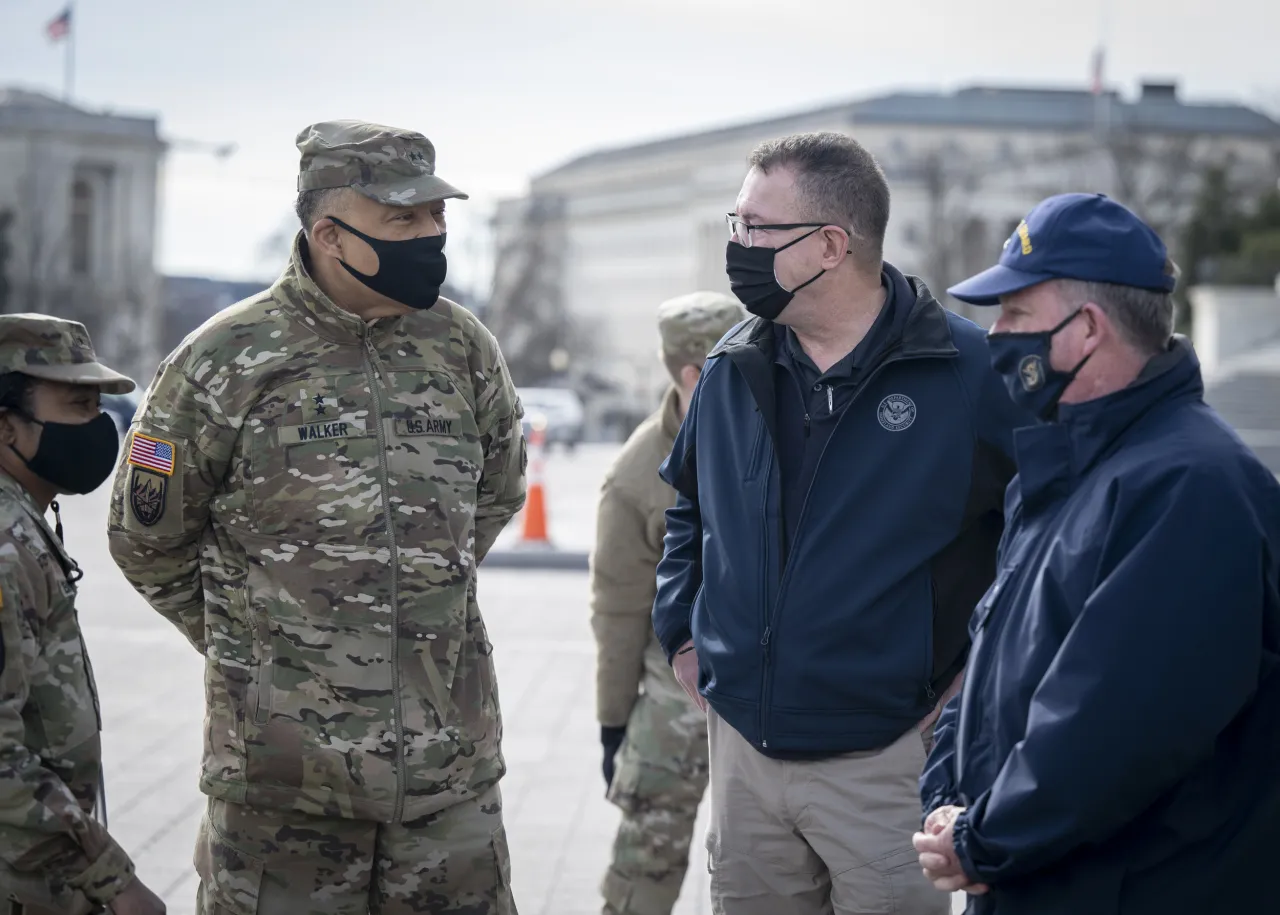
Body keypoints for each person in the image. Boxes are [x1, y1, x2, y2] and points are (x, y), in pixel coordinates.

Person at [107, 121, 526, 914]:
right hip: (286, 789)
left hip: (448, 775)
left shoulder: (462, 346)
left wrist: (414, 615)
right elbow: (146, 539)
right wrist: (266, 652)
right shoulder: (224, 358)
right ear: (328, 232)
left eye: (437, 217)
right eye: (404, 220)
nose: (431, 235)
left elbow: (496, 494)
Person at [651, 131, 1028, 915]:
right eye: (735, 222)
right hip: (745, 755)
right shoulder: (732, 368)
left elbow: (1037, 542)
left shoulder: (969, 376)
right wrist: (680, 633)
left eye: (756, 228)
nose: (737, 245)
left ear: (829, 245)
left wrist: (972, 685)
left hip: (889, 759)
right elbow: (688, 503)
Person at [915, 192, 1280, 914]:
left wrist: (983, 836)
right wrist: (948, 796)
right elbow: (998, 658)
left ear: (1085, 329)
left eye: (1016, 314)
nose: (997, 334)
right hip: (1039, 877)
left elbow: (1114, 726)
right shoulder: (1068, 470)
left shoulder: (1190, 486)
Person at [0, 315, 165, 915]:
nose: (97, 430)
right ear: (5, 427)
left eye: (98, 408)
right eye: (76, 407)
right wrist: (113, 880)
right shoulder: (5, 544)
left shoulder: (26, 523)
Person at [591, 291, 746, 915]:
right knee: (650, 850)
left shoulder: (777, 432)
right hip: (672, 692)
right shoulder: (635, 476)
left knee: (762, 863)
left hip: (771, 688)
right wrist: (613, 721)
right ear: (693, 375)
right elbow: (619, 611)